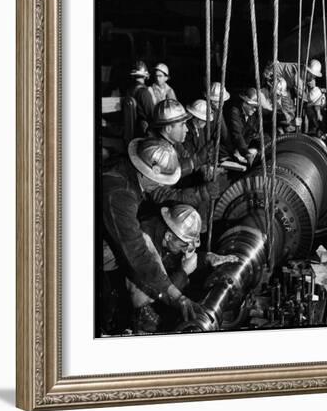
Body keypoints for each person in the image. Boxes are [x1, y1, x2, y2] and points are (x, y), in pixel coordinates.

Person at [101, 137, 224, 334]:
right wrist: (177, 296)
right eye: (160, 181)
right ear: (148, 172)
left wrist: (200, 190)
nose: (162, 185)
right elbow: (138, 255)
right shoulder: (119, 194)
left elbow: (164, 193)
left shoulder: (131, 170)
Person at [129, 204, 238, 333]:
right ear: (169, 236)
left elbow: (175, 260)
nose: (186, 251)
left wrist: (208, 258)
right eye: (184, 246)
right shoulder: (145, 242)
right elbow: (140, 300)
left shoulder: (170, 233)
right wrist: (183, 272)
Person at [226, 87, 264, 166]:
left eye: (256, 107)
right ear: (244, 103)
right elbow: (237, 135)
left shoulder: (252, 116)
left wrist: (261, 147)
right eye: (252, 106)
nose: (254, 109)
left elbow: (254, 133)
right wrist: (246, 153)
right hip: (228, 151)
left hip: (241, 151)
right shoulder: (234, 112)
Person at [125, 60, 155, 135]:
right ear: (145, 76)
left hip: (132, 131)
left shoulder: (129, 90)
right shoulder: (144, 92)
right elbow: (152, 115)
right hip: (143, 132)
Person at [207, 82, 235, 160]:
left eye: (222, 101)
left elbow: (224, 133)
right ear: (211, 101)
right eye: (218, 101)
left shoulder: (218, 111)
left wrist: (231, 153)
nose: (222, 104)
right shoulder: (204, 111)